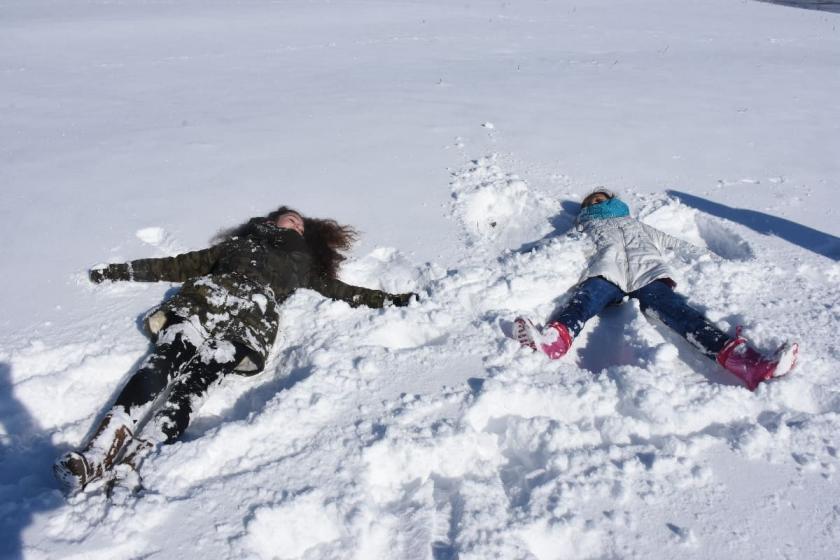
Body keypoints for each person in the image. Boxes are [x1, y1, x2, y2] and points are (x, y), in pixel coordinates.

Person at [54, 207, 416, 492]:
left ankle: (137, 459)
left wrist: (393, 301)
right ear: (273, 219)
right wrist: (118, 271)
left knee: (192, 389)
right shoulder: (237, 246)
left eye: (302, 226)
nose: (297, 223)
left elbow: (344, 292)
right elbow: (176, 265)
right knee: (159, 365)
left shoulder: (302, 264)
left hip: (249, 324)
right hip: (201, 304)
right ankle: (99, 451)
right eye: (292, 217)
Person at [514, 190, 798, 390]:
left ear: (614, 202)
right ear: (587, 208)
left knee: (681, 314)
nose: (597, 201)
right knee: (584, 300)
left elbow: (677, 244)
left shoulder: (638, 225)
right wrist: (527, 258)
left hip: (648, 275)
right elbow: (562, 249)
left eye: (601, 198)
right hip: (607, 274)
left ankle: (749, 364)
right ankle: (555, 339)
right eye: (592, 200)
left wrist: (717, 262)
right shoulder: (588, 225)